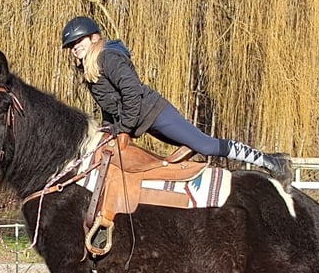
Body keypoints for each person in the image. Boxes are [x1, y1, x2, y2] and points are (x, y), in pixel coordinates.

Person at [61, 16, 293, 190]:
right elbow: (109, 104)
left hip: (155, 113)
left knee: (206, 146)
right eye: (71, 46)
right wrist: (109, 127)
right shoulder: (90, 69)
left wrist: (124, 128)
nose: (75, 48)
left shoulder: (108, 58)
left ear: (94, 38)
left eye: (78, 41)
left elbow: (131, 92)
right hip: (141, 122)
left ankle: (272, 162)